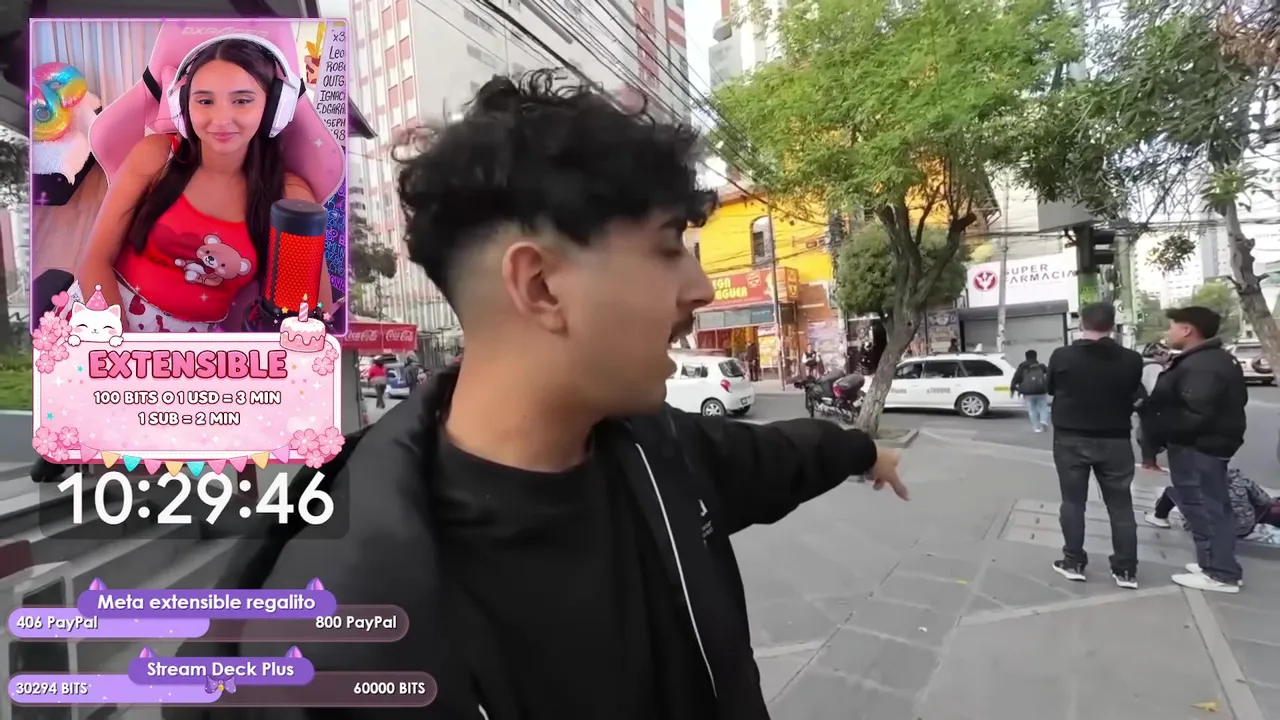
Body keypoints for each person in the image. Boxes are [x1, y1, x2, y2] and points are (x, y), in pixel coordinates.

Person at [171, 72, 907, 720]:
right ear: (541, 286)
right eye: (666, 247)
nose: (701, 289)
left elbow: (776, 455)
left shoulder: (659, 451)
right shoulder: (329, 641)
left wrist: (862, 450)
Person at [75, 37, 332, 332]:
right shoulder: (156, 156)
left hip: (201, 350)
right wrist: (119, 347)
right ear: (183, 105)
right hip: (103, 318)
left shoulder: (289, 198)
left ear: (275, 107)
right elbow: (94, 261)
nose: (221, 119)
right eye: (205, 101)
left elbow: (311, 318)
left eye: (242, 100)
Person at [1145, 306, 1248, 593]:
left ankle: (1220, 573)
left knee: (1202, 507)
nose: (1169, 332)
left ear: (1188, 330)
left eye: (1173, 326)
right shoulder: (1214, 359)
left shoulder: (1203, 365)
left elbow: (1196, 412)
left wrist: (1164, 429)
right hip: (1207, 445)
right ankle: (1216, 564)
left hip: (1197, 447)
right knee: (1211, 506)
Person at [1046, 302, 1145, 588]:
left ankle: (1074, 561)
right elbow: (1134, 392)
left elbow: (1051, 388)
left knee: (1073, 503)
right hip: (1116, 439)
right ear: (1113, 325)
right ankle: (1126, 570)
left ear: (1081, 323)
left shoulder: (1062, 356)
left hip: (1070, 439)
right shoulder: (1132, 359)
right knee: (1121, 506)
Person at [1145, 468, 1275, 543]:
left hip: (1209, 529)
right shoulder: (1239, 478)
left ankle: (1159, 517)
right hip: (1243, 529)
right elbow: (1265, 501)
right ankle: (1243, 525)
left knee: (1171, 491)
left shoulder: (1197, 477)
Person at [1137, 344, 1170, 471]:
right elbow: (1154, 387)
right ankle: (1149, 461)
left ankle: (1148, 460)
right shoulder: (1155, 367)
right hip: (1152, 404)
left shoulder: (1143, 365)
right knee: (1151, 432)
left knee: (1146, 430)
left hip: (1143, 402)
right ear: (1157, 354)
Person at [1011, 349, 1050, 432]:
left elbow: (1016, 377)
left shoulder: (1022, 366)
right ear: (1036, 356)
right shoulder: (1041, 366)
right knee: (1043, 407)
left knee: (1032, 409)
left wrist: (1013, 387)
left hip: (1028, 392)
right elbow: (1049, 375)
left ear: (1026, 357)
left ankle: (1036, 427)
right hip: (1041, 390)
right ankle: (1043, 422)